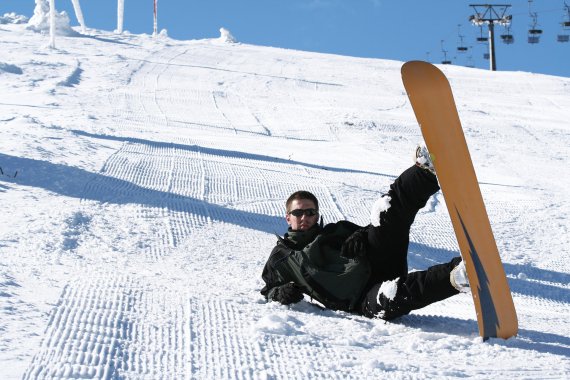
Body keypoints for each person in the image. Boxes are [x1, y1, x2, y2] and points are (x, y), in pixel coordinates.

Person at [260, 144, 469, 320]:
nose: (304, 217)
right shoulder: (281, 257)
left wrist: (361, 233)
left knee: (385, 213)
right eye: (298, 213)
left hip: (376, 260)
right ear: (288, 217)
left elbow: (374, 232)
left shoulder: (334, 231)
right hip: (360, 298)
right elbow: (268, 289)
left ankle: (426, 171)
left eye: (310, 212)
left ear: (317, 214)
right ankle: (459, 275)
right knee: (394, 295)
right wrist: (279, 292)